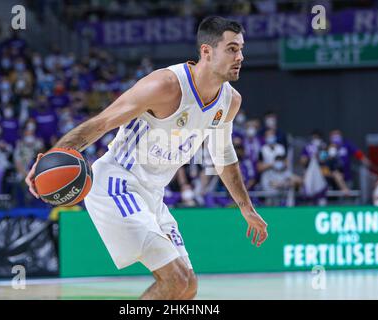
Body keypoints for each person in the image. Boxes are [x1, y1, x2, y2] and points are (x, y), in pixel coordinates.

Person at [25, 16, 268, 300]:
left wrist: (246, 208)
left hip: (153, 195)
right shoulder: (165, 85)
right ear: (206, 51)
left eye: (240, 48)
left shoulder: (230, 101)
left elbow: (222, 155)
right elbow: (102, 122)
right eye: (231, 49)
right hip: (117, 183)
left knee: (188, 286)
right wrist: (54, 156)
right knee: (175, 281)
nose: (240, 56)